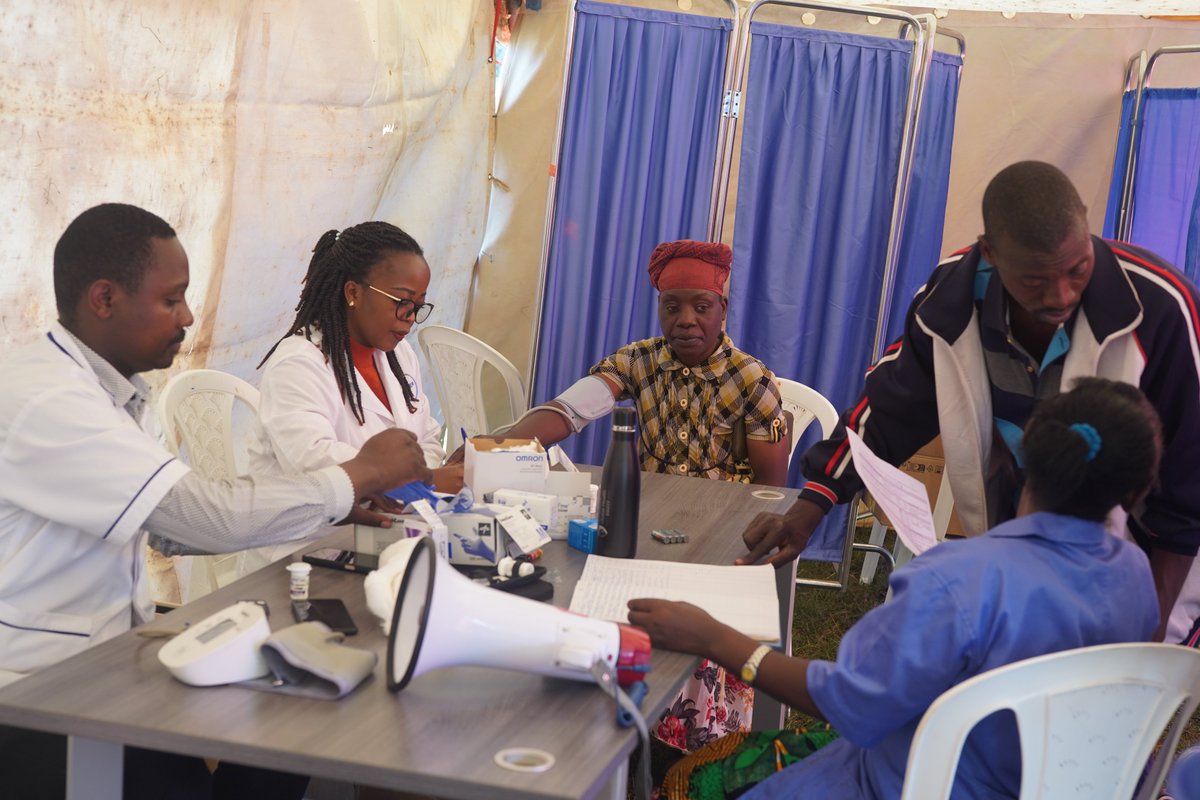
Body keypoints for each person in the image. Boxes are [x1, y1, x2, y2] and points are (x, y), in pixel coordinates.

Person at [0, 203, 431, 800]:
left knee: (261, 733)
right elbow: (203, 517)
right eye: (171, 300)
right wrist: (359, 474)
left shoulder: (114, 391)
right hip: (35, 687)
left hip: (102, 658)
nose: (188, 316)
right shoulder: (50, 399)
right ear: (104, 299)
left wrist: (339, 501)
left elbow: (169, 531)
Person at [629, 378, 1162, 798]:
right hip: (1050, 783)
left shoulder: (957, 581)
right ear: (1139, 491)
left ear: (1019, 453)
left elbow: (849, 703)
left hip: (907, 784)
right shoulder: (1135, 576)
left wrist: (714, 638)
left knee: (691, 780)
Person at [738, 160, 1200, 643]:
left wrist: (1148, 642)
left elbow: (1189, 483)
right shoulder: (951, 301)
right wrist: (810, 507)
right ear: (990, 254)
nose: (1061, 295)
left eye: (1077, 269)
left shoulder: (1160, 308)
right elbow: (888, 410)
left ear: (1086, 226)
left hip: (1149, 554)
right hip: (1020, 530)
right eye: (1035, 281)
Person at [491, 239, 790, 487]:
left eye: (701, 307)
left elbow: (770, 490)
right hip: (646, 510)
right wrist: (497, 446)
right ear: (659, 308)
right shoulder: (639, 360)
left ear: (722, 310)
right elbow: (571, 410)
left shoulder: (752, 379)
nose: (686, 320)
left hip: (720, 518)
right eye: (672, 308)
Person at [249, 221, 461, 493]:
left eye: (418, 306)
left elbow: (427, 439)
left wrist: (420, 482)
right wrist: (423, 480)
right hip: (313, 517)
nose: (410, 317)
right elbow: (313, 464)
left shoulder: (399, 355)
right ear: (354, 293)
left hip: (393, 512)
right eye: (402, 302)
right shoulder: (297, 364)